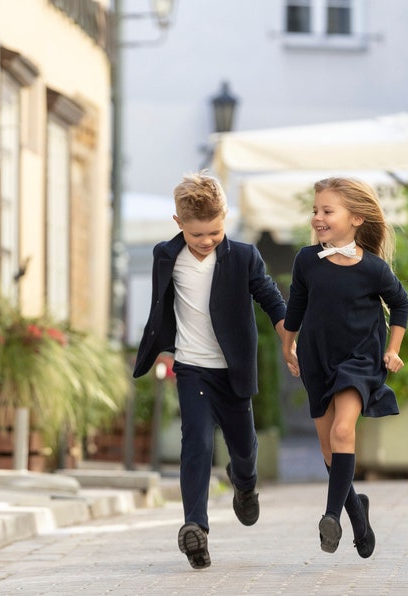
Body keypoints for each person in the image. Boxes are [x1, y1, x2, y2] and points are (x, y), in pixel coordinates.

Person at [133, 171, 288, 570]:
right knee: (196, 444)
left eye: (215, 233)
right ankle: (195, 529)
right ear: (178, 223)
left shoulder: (244, 256)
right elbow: (162, 308)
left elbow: (271, 297)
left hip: (232, 368)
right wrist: (164, 350)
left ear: (225, 220)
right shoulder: (165, 256)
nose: (206, 242)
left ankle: (245, 486)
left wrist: (290, 334)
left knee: (244, 450)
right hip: (192, 368)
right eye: (197, 234)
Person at [281, 177, 408, 559]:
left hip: (360, 360)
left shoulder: (372, 269)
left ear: (355, 218)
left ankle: (332, 516)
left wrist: (393, 350)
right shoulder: (306, 260)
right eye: (315, 210)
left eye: (327, 211)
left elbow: (400, 304)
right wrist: (288, 348)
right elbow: (296, 308)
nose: (318, 217)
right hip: (317, 359)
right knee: (328, 449)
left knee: (342, 430)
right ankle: (358, 511)